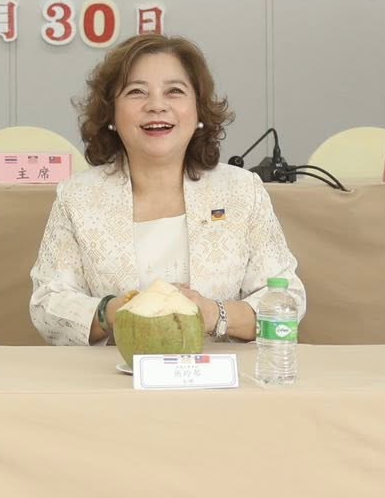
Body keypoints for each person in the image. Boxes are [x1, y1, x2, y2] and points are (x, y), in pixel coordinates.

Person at [29, 34, 303, 346]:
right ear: (112, 115)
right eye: (136, 92)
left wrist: (215, 314)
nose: (156, 106)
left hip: (220, 372)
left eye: (174, 91)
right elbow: (47, 305)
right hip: (114, 372)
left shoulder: (242, 191)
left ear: (198, 110)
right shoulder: (77, 197)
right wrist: (111, 312)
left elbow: (288, 299)